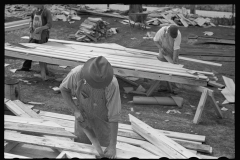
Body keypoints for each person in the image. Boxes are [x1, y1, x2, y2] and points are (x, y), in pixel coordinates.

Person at [59, 56, 121, 158]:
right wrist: (75, 110)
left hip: (103, 120)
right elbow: (64, 89)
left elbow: (114, 115)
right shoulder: (76, 74)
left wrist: (112, 145)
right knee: (80, 150)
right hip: (83, 118)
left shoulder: (112, 84)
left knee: (104, 153)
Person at [17, 4, 52, 72]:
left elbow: (49, 24)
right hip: (33, 34)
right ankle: (25, 67)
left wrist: (41, 28)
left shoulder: (46, 12)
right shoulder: (34, 11)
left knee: (41, 52)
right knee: (28, 50)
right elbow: (31, 20)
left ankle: (44, 70)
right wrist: (30, 25)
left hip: (43, 35)